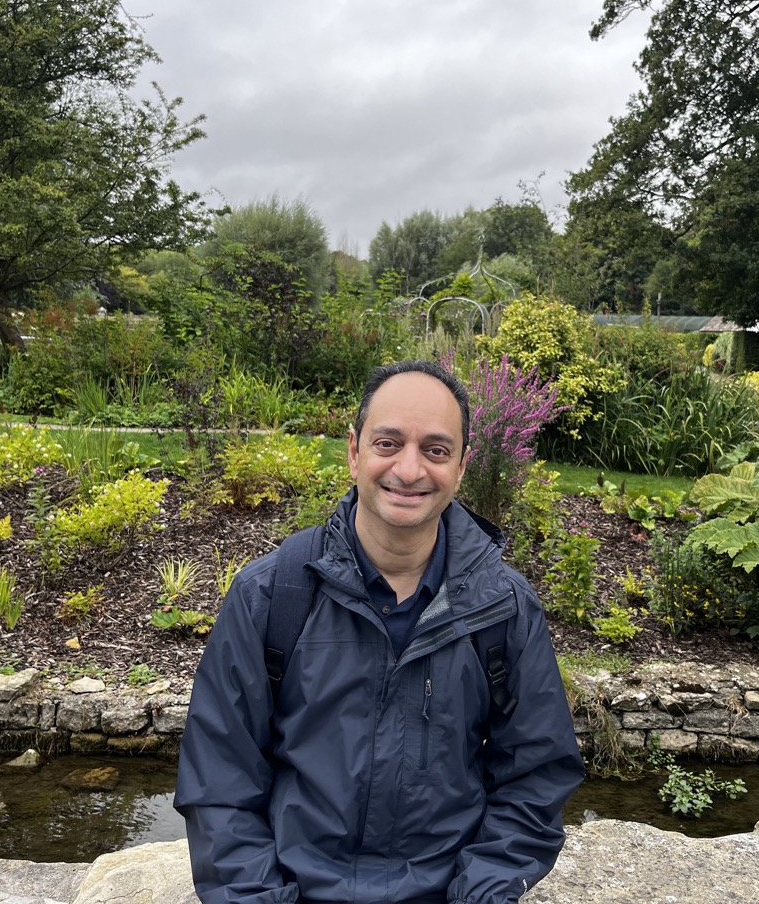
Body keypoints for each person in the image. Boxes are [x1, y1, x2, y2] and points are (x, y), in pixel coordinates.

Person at [175, 360, 584, 904]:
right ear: (354, 451)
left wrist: (480, 894)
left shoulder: (503, 609)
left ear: (462, 466)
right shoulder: (271, 596)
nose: (409, 470)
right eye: (388, 443)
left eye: (436, 450)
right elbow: (220, 780)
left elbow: (535, 776)